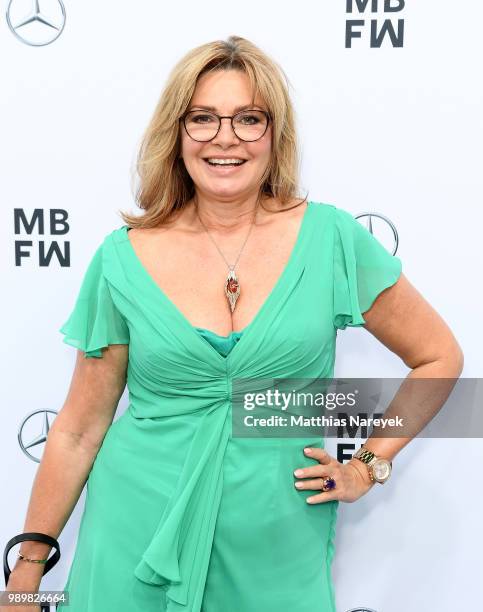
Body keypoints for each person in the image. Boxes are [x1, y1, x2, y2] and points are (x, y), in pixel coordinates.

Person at [4, 35, 463, 612]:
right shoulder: (123, 256)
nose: (225, 138)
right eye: (203, 119)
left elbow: (439, 357)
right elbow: (77, 428)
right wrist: (26, 573)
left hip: (275, 537)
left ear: (276, 135)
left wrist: (368, 465)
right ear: (177, 133)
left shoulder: (332, 239)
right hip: (136, 532)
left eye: (249, 118)